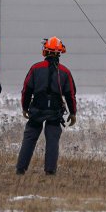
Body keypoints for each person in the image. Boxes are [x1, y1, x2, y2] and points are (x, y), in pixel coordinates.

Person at [16, 37, 77, 176]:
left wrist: (25, 108)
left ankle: (21, 168)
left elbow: (26, 90)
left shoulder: (35, 68)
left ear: (45, 51)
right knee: (52, 140)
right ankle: (50, 171)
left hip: (37, 108)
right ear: (60, 52)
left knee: (30, 138)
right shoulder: (65, 72)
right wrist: (73, 113)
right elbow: (70, 95)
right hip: (55, 110)